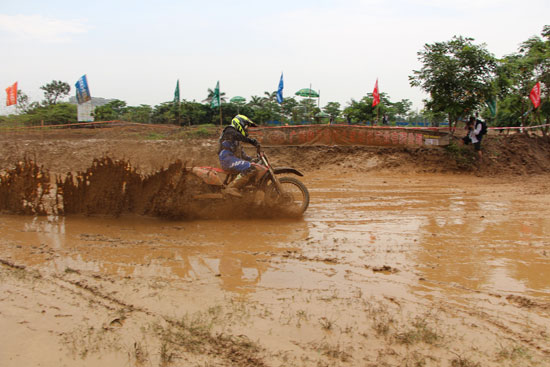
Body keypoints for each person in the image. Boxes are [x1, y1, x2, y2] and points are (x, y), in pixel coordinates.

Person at [218, 114, 261, 197]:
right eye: (246, 127)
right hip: (227, 159)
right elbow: (237, 135)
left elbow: (242, 154)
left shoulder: (236, 140)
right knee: (250, 168)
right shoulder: (229, 130)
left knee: (252, 165)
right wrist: (251, 141)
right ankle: (231, 188)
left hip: (231, 159)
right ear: (240, 123)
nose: (247, 130)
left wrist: (251, 159)